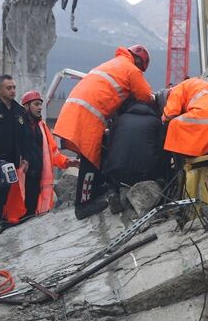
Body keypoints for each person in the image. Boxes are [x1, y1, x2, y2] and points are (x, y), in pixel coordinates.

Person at [53, 45, 155, 218]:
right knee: (90, 159)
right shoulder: (131, 70)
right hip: (88, 113)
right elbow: (145, 95)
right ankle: (83, 205)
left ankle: (94, 189)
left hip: (77, 108)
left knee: (96, 154)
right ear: (140, 63)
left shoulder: (115, 63)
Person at [0, 74, 32, 232]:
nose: (12, 91)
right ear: (0, 89)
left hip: (10, 160)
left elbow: (25, 137)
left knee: (2, 195)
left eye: (14, 88)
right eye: (8, 88)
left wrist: (25, 158)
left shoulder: (19, 111)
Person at [17, 89, 74, 217]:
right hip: (22, 176)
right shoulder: (19, 125)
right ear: (26, 106)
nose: (40, 107)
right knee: (17, 212)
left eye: (40, 104)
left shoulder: (41, 127)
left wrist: (67, 162)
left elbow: (52, 152)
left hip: (36, 177)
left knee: (30, 212)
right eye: (36, 104)